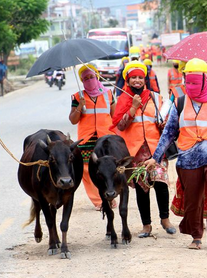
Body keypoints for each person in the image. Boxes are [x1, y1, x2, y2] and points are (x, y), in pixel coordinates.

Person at [145, 58, 207, 254]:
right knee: (193, 199)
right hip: (188, 158)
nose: (192, 85)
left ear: (205, 80)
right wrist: (156, 157)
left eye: (196, 81)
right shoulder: (179, 102)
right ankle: (196, 235)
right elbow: (169, 133)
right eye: (189, 81)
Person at [111, 60, 176, 238]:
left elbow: (167, 120)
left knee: (161, 184)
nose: (137, 81)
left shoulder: (156, 97)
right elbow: (120, 126)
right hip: (135, 152)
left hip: (156, 149)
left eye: (140, 77)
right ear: (128, 80)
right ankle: (146, 225)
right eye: (133, 78)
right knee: (141, 188)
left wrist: (163, 123)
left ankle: (165, 220)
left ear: (145, 79)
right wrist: (132, 107)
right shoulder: (123, 99)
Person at [69, 64, 116, 210]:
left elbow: (114, 115)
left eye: (91, 77)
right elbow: (73, 119)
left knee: (108, 169)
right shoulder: (78, 97)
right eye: (86, 78)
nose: (89, 80)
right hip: (87, 139)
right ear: (82, 81)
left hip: (106, 138)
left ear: (97, 77)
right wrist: (79, 107)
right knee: (87, 170)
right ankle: (98, 200)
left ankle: (111, 197)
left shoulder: (108, 94)